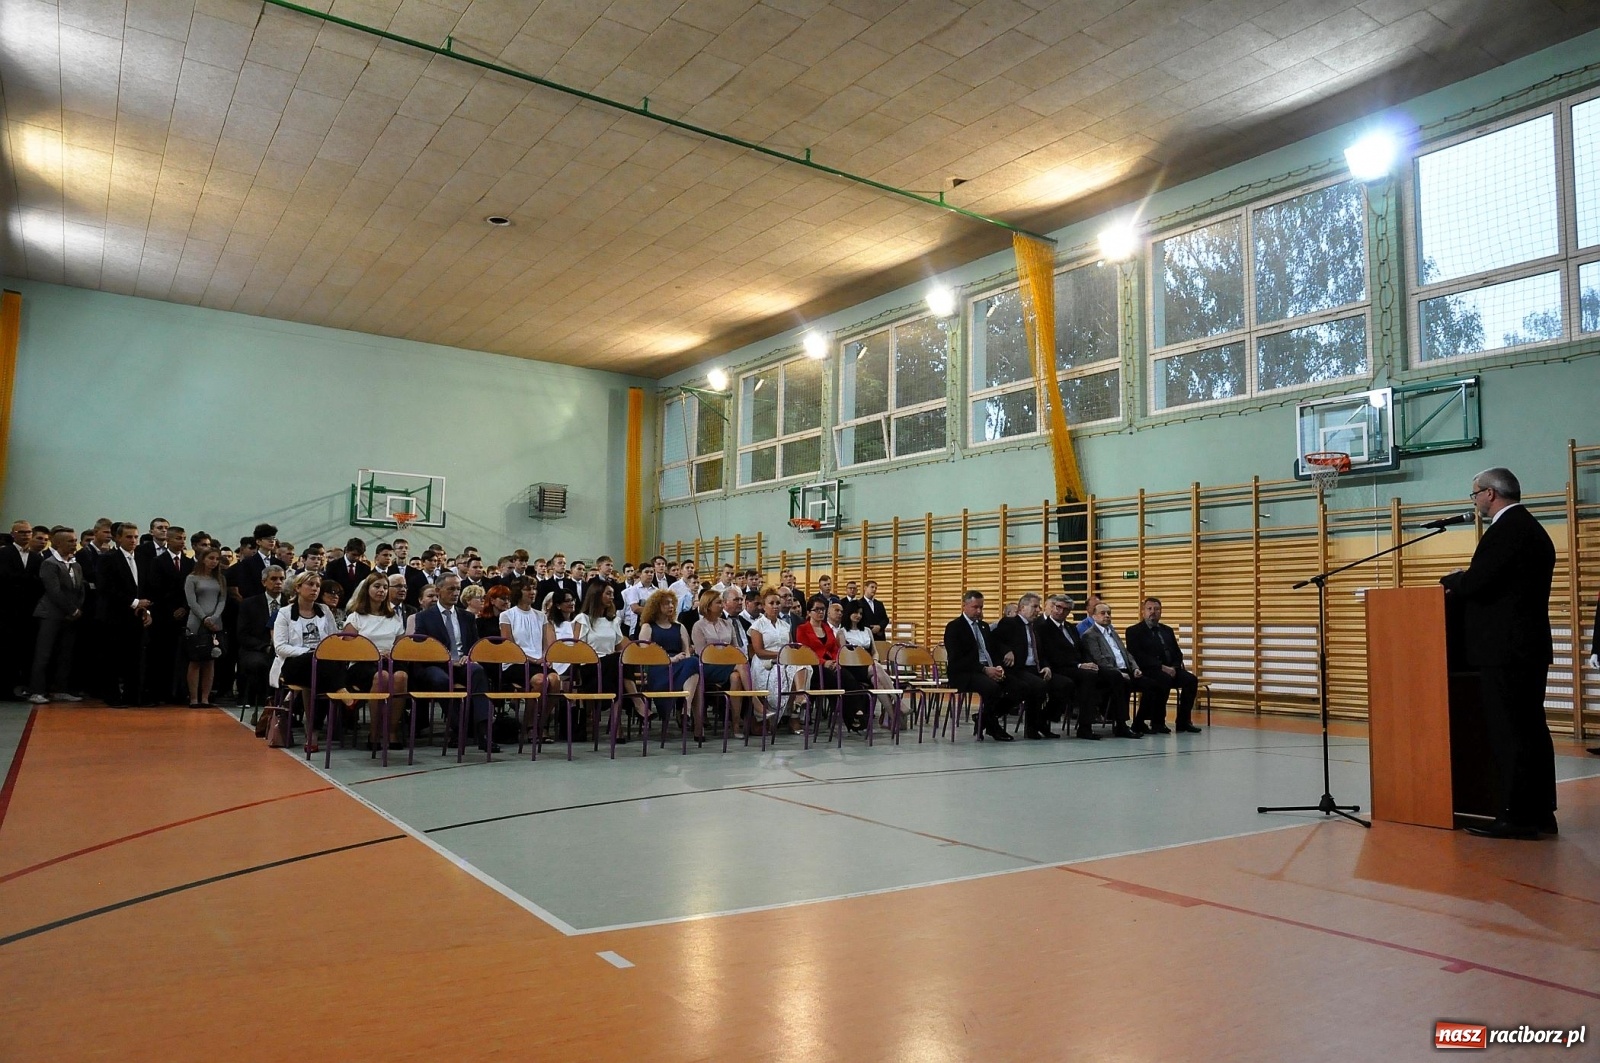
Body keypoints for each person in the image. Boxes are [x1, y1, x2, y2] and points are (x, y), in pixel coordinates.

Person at [1441, 467, 1558, 839]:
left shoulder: (1506, 531)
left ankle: (1515, 815)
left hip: (1505, 650)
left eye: (1474, 494)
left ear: (1491, 494)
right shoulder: (1532, 530)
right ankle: (1540, 812)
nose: (1474, 501)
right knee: (1531, 730)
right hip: (1527, 647)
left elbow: (1478, 582)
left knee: (1511, 733)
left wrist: (1453, 579)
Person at [410, 574, 496, 752]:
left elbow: (474, 643)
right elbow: (422, 647)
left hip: (462, 663)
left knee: (478, 671)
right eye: (451, 589)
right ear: (438, 590)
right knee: (441, 680)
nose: (455, 593)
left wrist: (469, 656)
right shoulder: (424, 617)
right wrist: (447, 659)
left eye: (458, 589)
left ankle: (483, 731)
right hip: (436, 664)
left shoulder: (467, 617)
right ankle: (459, 728)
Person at [270, 572, 351, 755]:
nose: (315, 589)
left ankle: (312, 734)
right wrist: (308, 652)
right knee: (314, 663)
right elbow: (280, 647)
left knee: (317, 677)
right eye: (310, 585)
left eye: (317, 585)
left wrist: (319, 655)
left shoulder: (324, 610)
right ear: (298, 588)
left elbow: (332, 640)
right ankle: (342, 690)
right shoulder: (284, 613)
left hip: (320, 667)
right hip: (293, 663)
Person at [942, 590, 1026, 741]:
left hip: (987, 669)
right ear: (964, 606)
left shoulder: (984, 626)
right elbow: (957, 658)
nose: (979, 611)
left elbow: (992, 650)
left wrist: (999, 666)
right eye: (975, 607)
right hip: (965, 673)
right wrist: (984, 669)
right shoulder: (954, 627)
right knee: (992, 688)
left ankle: (983, 718)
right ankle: (993, 727)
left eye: (981, 607)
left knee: (1018, 687)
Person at [343, 573, 409, 747]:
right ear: (367, 589)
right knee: (383, 677)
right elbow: (349, 649)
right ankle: (374, 733)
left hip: (389, 660)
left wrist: (391, 653)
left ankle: (392, 731)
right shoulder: (355, 617)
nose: (381, 590)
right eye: (377, 586)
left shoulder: (394, 616)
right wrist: (374, 653)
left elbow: (400, 646)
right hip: (363, 663)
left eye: (385, 587)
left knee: (401, 676)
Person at [1125, 597, 1201, 734]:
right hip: (1149, 669)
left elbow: (1177, 653)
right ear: (1143, 612)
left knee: (1191, 680)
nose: (1153, 612)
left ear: (1161, 612)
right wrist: (1161, 667)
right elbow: (1137, 655)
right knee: (1163, 679)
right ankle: (1158, 722)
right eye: (1149, 609)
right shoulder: (1134, 631)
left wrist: (1175, 667)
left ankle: (1183, 721)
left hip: (1171, 668)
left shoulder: (1167, 630)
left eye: (1156, 609)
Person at [794, 592, 869, 731]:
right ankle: (851, 715)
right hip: (814, 666)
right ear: (809, 612)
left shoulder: (826, 628)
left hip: (832, 663)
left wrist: (835, 661)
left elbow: (834, 647)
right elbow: (806, 651)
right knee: (834, 680)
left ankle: (856, 712)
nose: (820, 612)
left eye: (822, 609)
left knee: (849, 678)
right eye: (817, 609)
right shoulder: (802, 629)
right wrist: (824, 662)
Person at [1080, 601, 1155, 739]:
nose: (1107, 616)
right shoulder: (1090, 635)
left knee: (1151, 685)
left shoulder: (1112, 632)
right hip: (1107, 673)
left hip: (1125, 670)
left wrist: (1135, 668)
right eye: (1103, 613)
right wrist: (1119, 673)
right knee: (1122, 682)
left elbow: (1126, 653)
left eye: (1109, 613)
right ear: (1094, 616)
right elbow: (1099, 659)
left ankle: (1139, 721)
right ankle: (1121, 725)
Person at [98, 521, 154, 706]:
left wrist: (146, 609)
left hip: (137, 617)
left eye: (136, 537)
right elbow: (106, 588)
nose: (133, 540)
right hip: (115, 616)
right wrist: (135, 602)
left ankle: (133, 696)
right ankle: (112, 697)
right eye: (129, 537)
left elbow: (145, 587)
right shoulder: (108, 559)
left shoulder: (142, 559)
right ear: (118, 538)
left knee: (136, 658)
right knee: (113, 658)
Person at [636, 588, 703, 741]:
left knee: (693, 662)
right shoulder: (648, 627)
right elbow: (645, 655)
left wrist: (679, 659)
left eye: (672, 603)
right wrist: (669, 659)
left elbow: (686, 652)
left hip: (680, 665)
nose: (671, 606)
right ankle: (689, 714)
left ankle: (686, 706)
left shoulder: (679, 627)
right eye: (666, 603)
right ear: (656, 606)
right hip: (658, 667)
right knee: (694, 670)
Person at [29, 527, 86, 704]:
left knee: (65, 653)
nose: (74, 544)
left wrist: (77, 608)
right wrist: (71, 609)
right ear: (58, 543)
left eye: (75, 540)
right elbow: (54, 591)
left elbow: (80, 589)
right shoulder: (49, 564)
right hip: (50, 614)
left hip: (70, 616)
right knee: (44, 654)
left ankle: (61, 689)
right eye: (70, 541)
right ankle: (37, 691)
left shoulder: (76, 564)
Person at [995, 593, 1064, 739]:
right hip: (1018, 668)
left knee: (1064, 684)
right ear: (1022, 608)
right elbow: (995, 641)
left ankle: (1042, 721)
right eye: (1034, 606)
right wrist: (1006, 650)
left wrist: (1046, 666)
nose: (1038, 610)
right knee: (1037, 686)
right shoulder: (1010, 623)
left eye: (1039, 607)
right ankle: (1030, 727)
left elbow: (1042, 651)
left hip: (1035, 668)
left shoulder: (1035, 627)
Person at [1038, 593, 1107, 739]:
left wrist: (1089, 663)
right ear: (1053, 607)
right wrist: (1080, 665)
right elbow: (1052, 654)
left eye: (1065, 609)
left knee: (1102, 674)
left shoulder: (1070, 627)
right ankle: (1083, 727)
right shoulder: (1043, 627)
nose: (1060, 611)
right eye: (1058, 607)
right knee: (1084, 679)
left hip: (1076, 667)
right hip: (1057, 667)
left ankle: (1100, 719)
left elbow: (1082, 649)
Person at [690, 587, 751, 733]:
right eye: (718, 602)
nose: (722, 605)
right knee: (741, 665)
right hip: (707, 667)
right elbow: (701, 653)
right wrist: (725, 655)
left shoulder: (727, 624)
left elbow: (735, 648)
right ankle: (753, 699)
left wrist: (726, 656)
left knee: (736, 677)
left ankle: (735, 724)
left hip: (729, 666)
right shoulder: (698, 626)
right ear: (708, 605)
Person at [182, 546, 228, 707]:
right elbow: (191, 602)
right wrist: (204, 617)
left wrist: (214, 617)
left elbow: (222, 600)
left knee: (210, 661)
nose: (214, 562)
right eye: (211, 558)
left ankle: (205, 698)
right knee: (195, 660)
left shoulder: (220, 579)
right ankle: (194, 698)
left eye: (217, 559)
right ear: (203, 559)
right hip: (196, 623)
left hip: (215, 623)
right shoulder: (192, 578)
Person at [237, 566, 286, 714]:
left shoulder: (291, 604)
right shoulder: (249, 604)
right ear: (264, 582)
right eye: (274, 579)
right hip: (256, 647)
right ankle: (263, 699)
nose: (278, 582)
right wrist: (264, 646)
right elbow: (242, 634)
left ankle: (289, 704)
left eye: (282, 579)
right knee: (260, 663)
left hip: (284, 649)